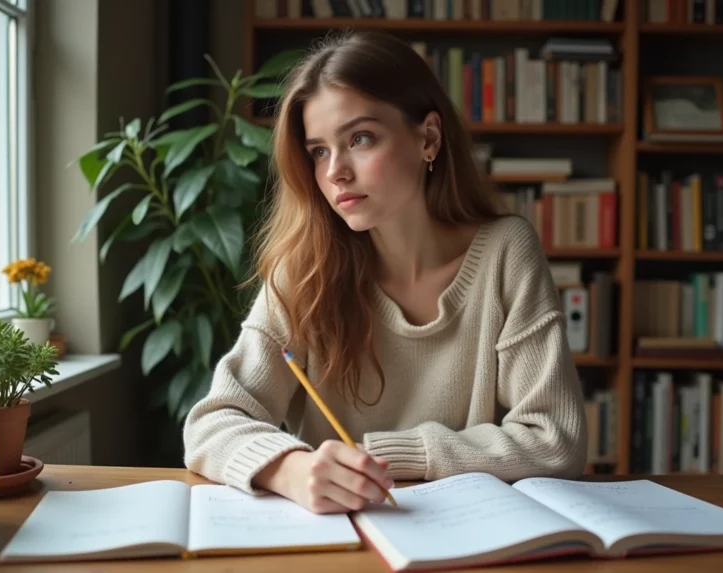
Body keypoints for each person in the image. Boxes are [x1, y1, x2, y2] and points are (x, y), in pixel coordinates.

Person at [183, 29, 587, 515]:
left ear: (428, 138)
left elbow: (555, 440)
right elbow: (212, 422)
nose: (336, 172)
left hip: (474, 538)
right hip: (336, 540)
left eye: (360, 138)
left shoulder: (506, 253)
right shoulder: (305, 268)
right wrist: (291, 469)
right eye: (318, 151)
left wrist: (387, 455)